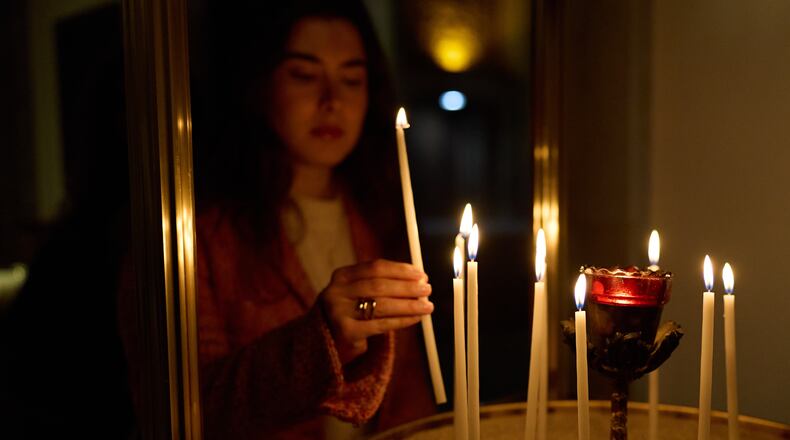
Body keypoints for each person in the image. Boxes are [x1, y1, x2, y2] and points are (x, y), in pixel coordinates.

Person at [189, 0, 436, 437]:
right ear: (259, 84)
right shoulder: (199, 237)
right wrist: (320, 339)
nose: (332, 101)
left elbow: (408, 393)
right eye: (304, 75)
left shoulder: (378, 217)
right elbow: (195, 409)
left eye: (352, 79)